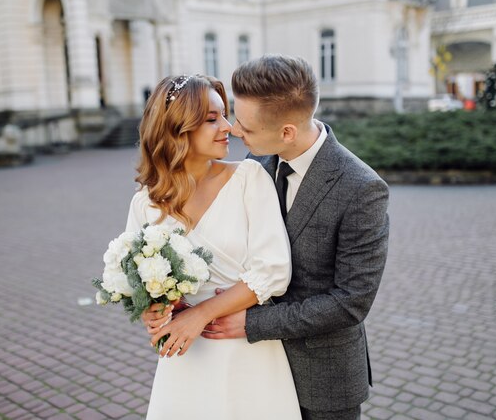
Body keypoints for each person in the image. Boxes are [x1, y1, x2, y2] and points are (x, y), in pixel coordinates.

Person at [146, 55, 389, 419]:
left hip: (319, 376)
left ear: (286, 131)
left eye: (244, 125)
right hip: (245, 370)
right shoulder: (255, 166)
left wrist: (250, 323)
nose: (234, 131)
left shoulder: (362, 188)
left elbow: (350, 302)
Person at [127, 74, 301, 419]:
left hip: (246, 348)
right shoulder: (144, 203)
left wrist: (201, 314)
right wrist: (150, 308)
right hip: (184, 354)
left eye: (224, 115)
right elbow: (136, 277)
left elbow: (274, 270)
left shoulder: (248, 178)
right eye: (211, 119)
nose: (228, 127)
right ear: (177, 127)